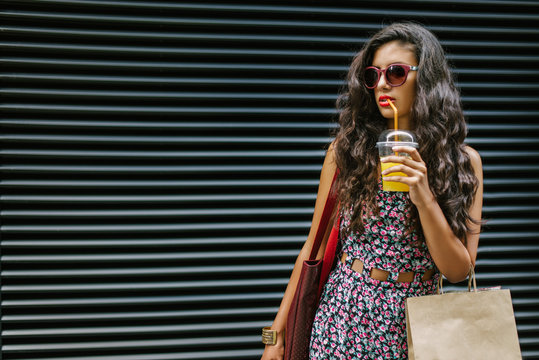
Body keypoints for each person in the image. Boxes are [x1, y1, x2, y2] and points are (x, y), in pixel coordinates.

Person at [260, 22, 483, 359]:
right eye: (372, 75)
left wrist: (423, 197)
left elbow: (457, 271)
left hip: (418, 326)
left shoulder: (462, 162)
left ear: (427, 79)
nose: (381, 84)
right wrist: (274, 335)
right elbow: (314, 245)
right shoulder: (347, 151)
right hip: (344, 316)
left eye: (395, 73)